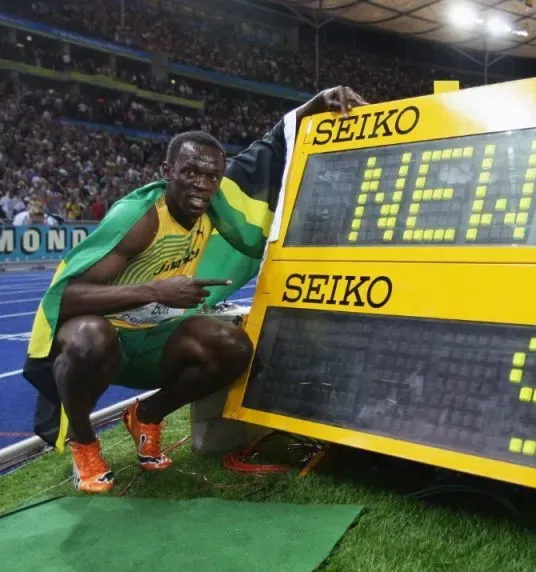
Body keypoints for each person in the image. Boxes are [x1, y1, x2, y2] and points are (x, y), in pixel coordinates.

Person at [22, 85, 370, 493]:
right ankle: (85, 443)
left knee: (235, 348)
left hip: (154, 339)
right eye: (190, 172)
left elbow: (268, 152)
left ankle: (146, 416)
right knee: (88, 338)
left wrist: (317, 102)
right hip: (106, 339)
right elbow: (64, 298)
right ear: (167, 171)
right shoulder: (140, 219)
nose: (201, 185)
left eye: (211, 176)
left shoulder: (215, 203)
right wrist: (154, 290)